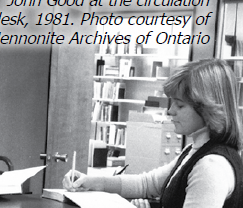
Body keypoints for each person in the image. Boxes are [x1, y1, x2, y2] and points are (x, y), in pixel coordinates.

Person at [63, 59, 243, 208]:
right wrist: (90, 182)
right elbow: (147, 184)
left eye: (180, 105)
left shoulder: (211, 167)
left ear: (208, 109)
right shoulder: (195, 150)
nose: (170, 111)